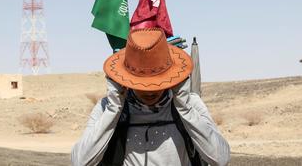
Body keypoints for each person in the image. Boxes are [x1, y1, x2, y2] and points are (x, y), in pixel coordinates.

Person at [71, 28, 230, 166]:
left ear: (172, 77)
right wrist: (114, 109)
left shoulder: (190, 103)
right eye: (140, 84)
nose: (149, 91)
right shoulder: (107, 107)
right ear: (125, 79)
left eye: (157, 83)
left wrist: (184, 106)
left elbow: (220, 159)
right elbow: (80, 161)